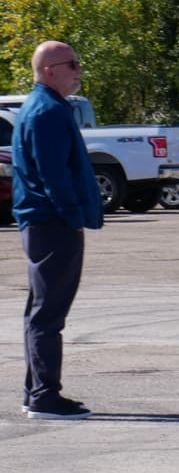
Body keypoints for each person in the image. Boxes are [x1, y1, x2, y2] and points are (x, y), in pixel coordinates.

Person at [12, 41, 104, 419]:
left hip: (44, 222)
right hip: (51, 223)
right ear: (50, 69)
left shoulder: (45, 107)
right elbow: (54, 174)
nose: (78, 71)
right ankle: (45, 397)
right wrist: (71, 216)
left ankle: (35, 391)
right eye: (73, 65)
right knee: (49, 313)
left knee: (40, 311)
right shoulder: (47, 111)